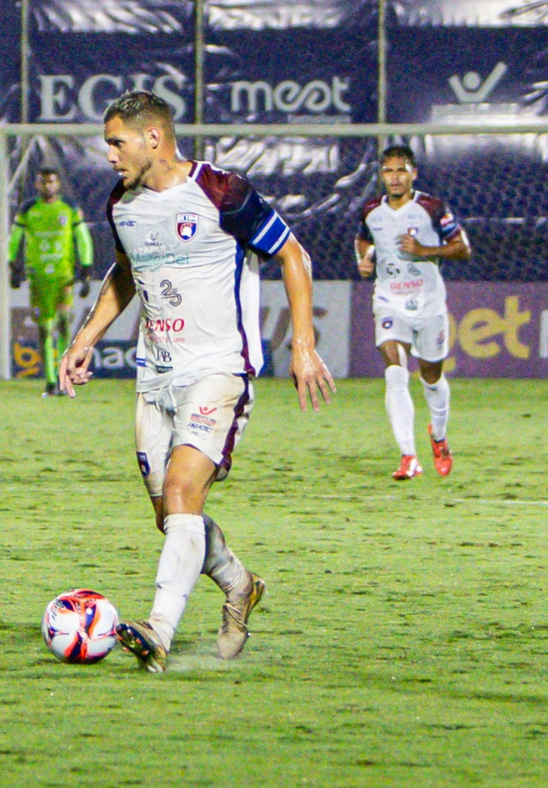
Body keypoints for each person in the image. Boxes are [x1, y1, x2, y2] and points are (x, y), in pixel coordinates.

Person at [59, 91, 336, 673]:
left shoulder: (222, 193)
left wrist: (303, 347)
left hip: (218, 370)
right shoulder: (123, 203)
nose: (108, 155)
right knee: (170, 518)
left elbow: (294, 255)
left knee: (185, 494)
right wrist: (84, 339)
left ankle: (157, 632)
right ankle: (241, 585)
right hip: (154, 375)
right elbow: (126, 273)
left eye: (116, 142)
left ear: (153, 137)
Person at [354, 144, 470, 480]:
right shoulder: (370, 210)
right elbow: (364, 240)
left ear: (413, 173)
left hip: (428, 302)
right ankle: (408, 456)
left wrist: (423, 250)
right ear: (381, 175)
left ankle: (439, 436)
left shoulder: (432, 207)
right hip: (389, 299)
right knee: (394, 371)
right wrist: (364, 260)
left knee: (431, 376)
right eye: (388, 171)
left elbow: (463, 249)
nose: (394, 177)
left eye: (401, 170)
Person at [8, 167, 94, 396]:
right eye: (43, 182)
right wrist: (12, 266)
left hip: (63, 277)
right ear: (37, 185)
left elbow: (82, 237)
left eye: (52, 182)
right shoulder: (28, 209)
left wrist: (86, 268)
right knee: (45, 329)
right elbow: (14, 238)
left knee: (64, 323)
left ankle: (63, 378)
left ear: (58, 184)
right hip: (38, 278)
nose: (48, 186)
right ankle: (49, 381)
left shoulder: (69, 208)